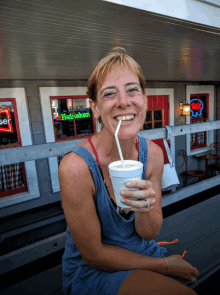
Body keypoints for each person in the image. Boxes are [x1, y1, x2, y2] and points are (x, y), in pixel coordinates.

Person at [59, 47, 199, 295]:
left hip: (141, 251)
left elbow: (149, 232)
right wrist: (165, 265)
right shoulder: (76, 167)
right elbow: (93, 255)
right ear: (95, 107)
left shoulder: (153, 154)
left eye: (132, 89)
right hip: (95, 271)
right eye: (110, 94)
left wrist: (144, 209)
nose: (124, 101)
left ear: (144, 97)